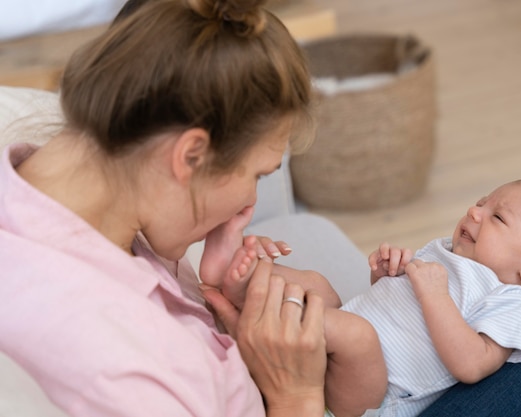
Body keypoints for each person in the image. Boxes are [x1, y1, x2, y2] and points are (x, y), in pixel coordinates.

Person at [0, 0, 331, 416]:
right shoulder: (124, 371)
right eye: (258, 175)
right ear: (190, 155)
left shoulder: (95, 196)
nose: (250, 201)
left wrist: (212, 298)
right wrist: (295, 395)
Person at [203, 179, 521, 417]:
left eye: (497, 217)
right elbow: (393, 316)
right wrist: (384, 277)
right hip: (342, 355)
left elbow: (473, 364)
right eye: (482, 202)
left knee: (355, 334)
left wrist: (434, 294)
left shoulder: (517, 301)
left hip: (372, 400)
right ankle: (241, 280)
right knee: (317, 283)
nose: (474, 212)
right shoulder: (449, 250)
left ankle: (260, 313)